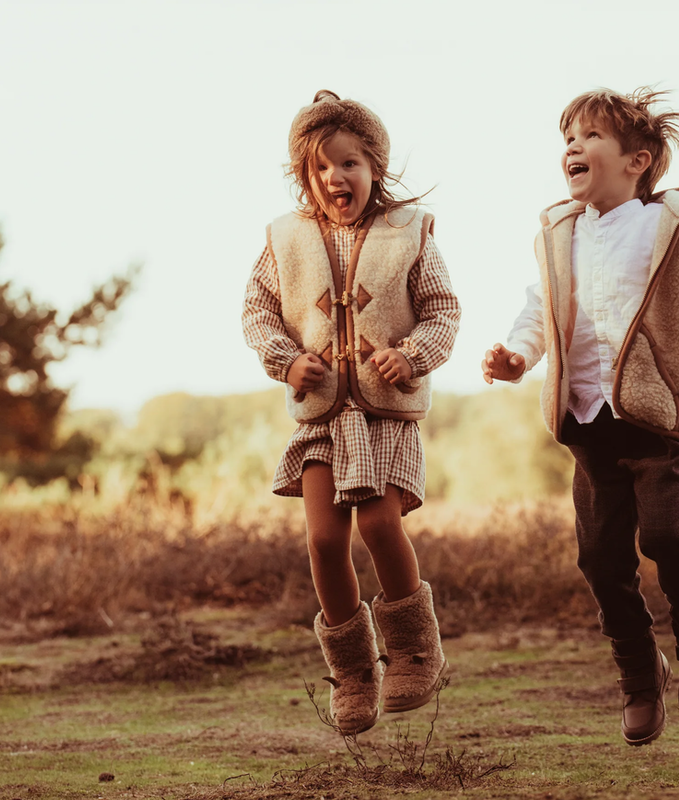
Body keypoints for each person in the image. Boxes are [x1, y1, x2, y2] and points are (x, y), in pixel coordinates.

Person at [482, 87, 679, 747]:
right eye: (567, 138)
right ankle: (637, 673)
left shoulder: (671, 227)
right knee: (599, 559)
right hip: (590, 424)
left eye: (591, 137)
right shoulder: (559, 236)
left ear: (638, 161)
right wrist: (517, 355)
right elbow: (542, 310)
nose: (573, 147)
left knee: (663, 538)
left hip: (659, 424)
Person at [242, 90, 460, 735]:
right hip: (321, 418)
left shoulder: (408, 233)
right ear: (305, 176)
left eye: (350, 163)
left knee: (380, 527)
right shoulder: (285, 240)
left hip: (384, 416)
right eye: (321, 168)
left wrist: (414, 354)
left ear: (375, 166)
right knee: (323, 539)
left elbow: (444, 309)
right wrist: (285, 360)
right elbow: (256, 310)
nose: (336, 177)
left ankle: (417, 653)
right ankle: (355, 671)